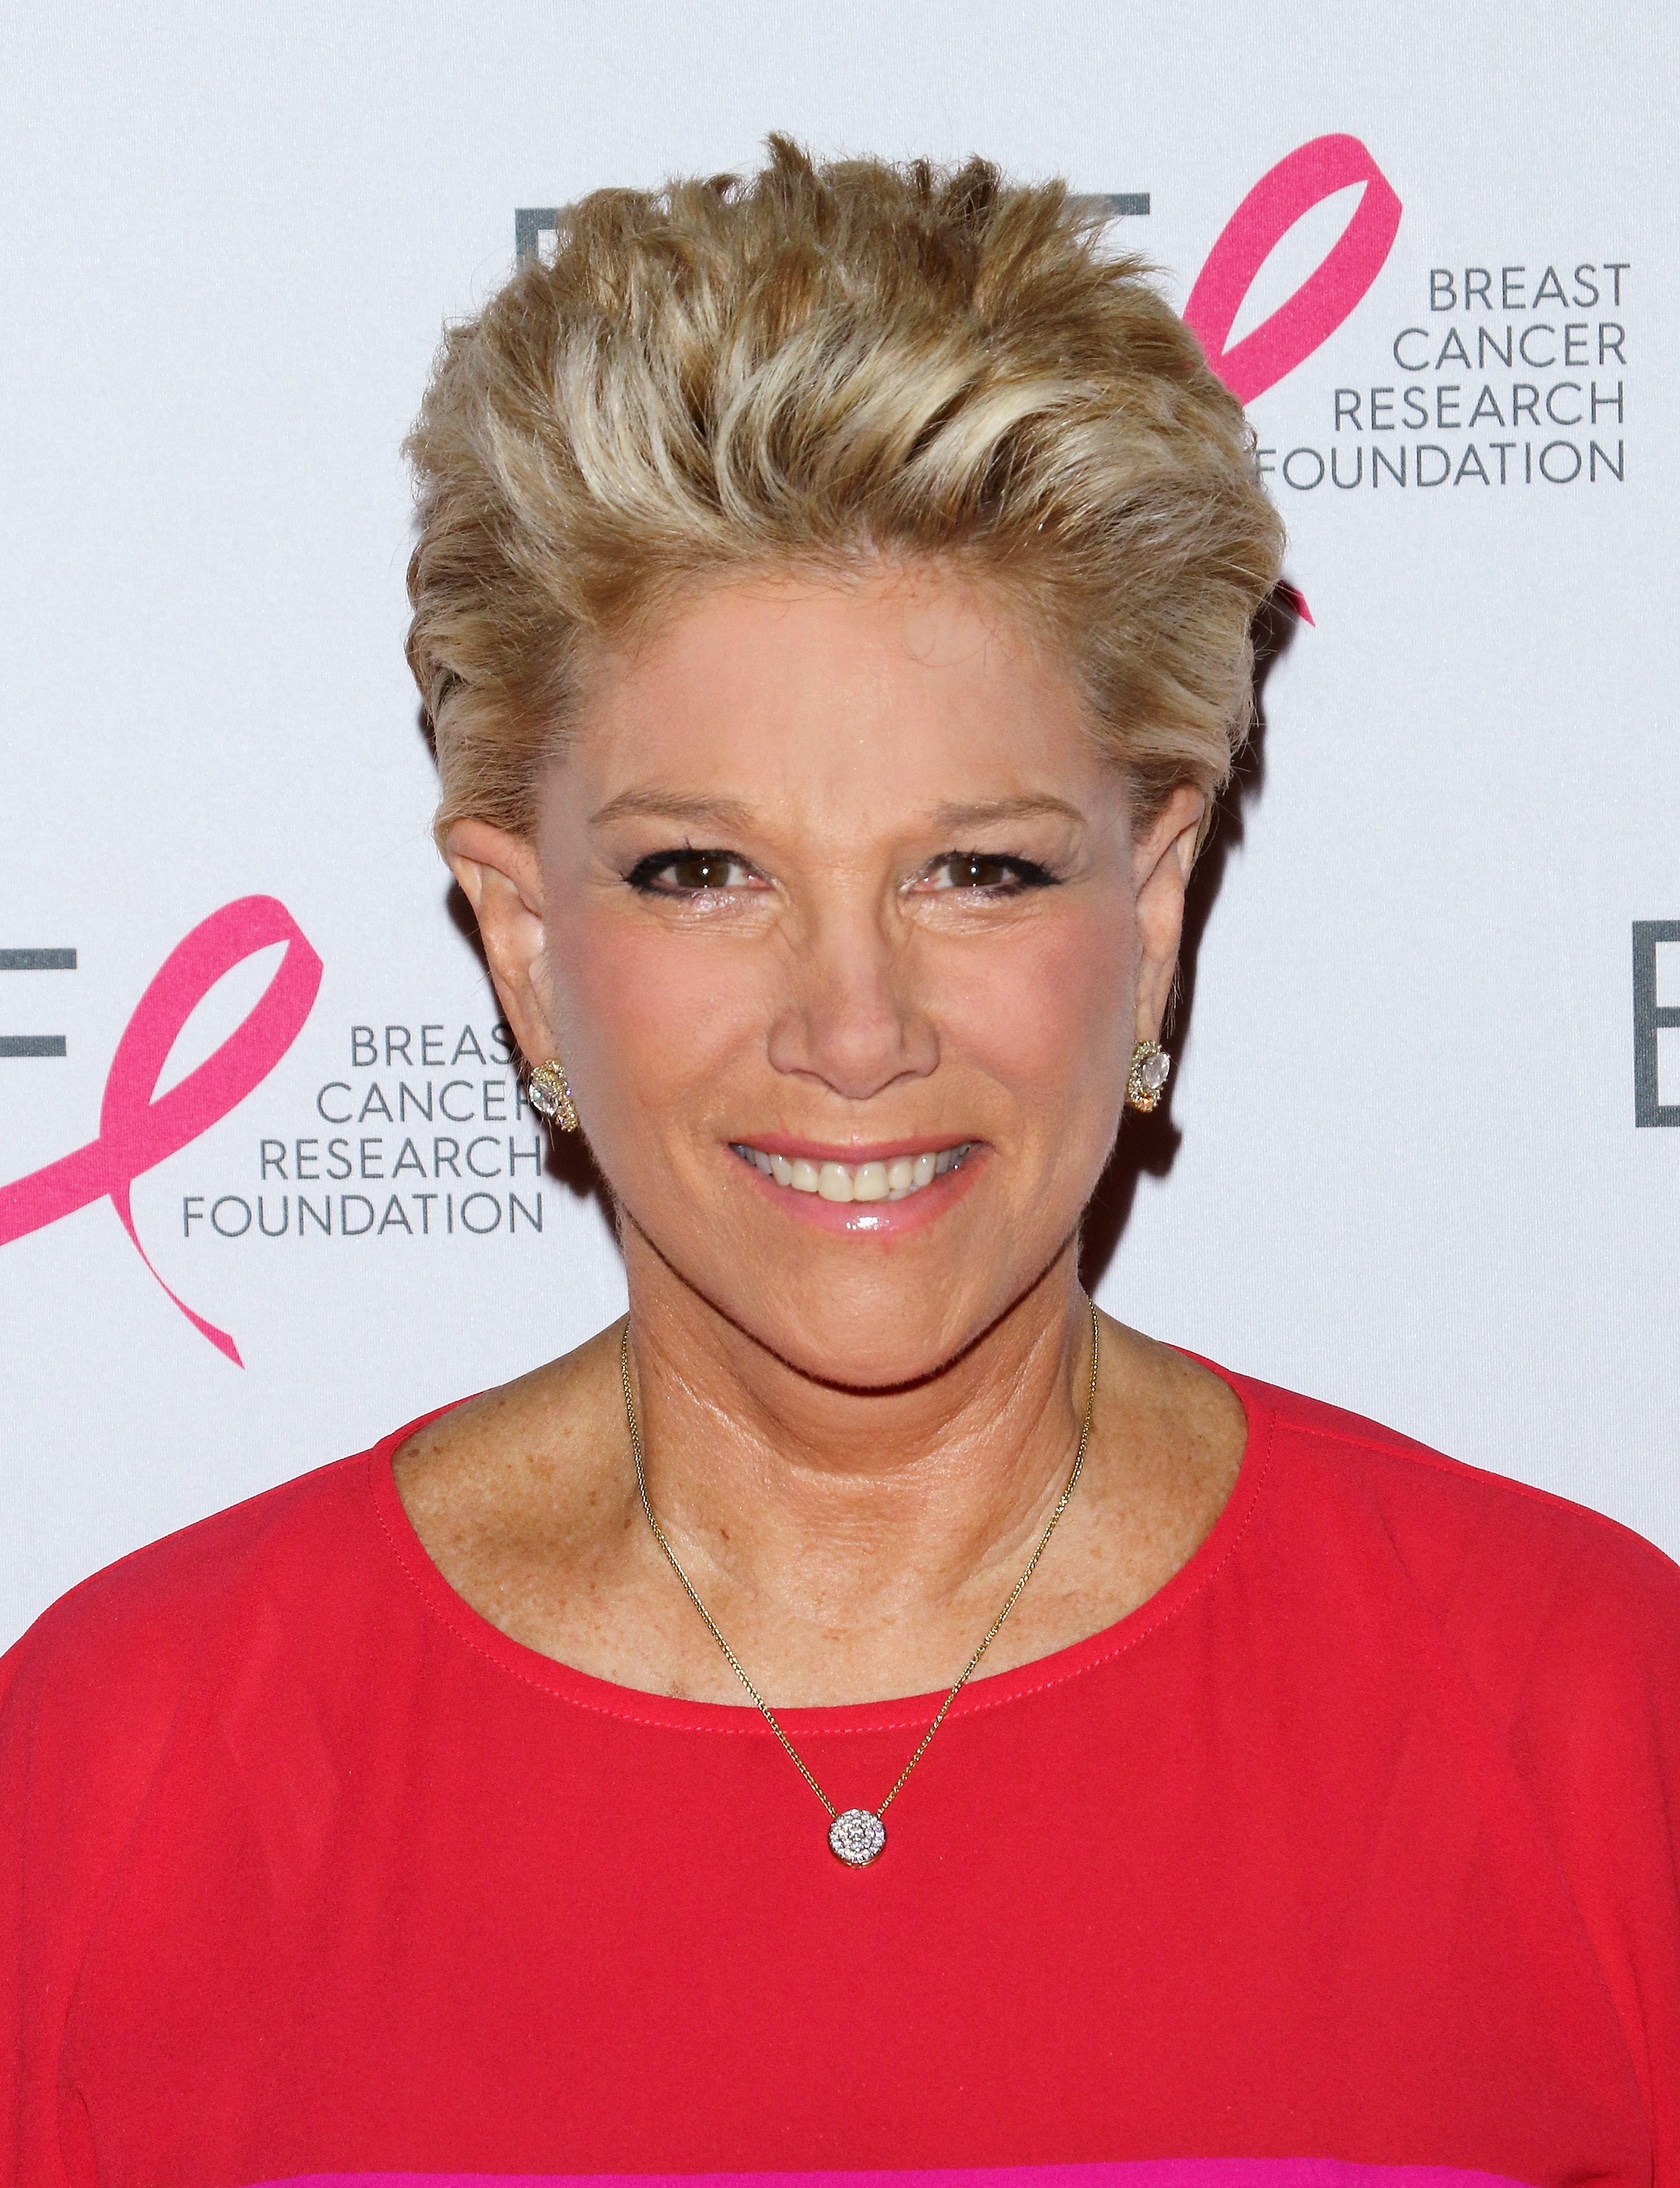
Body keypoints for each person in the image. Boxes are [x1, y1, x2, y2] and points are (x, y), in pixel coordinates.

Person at [4, 139, 1677, 2188]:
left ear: (1148, 912)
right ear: (529, 944)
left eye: (977, 871)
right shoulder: (123, 1765)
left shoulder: (1581, 1718)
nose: (855, 1027)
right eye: (702, 874)